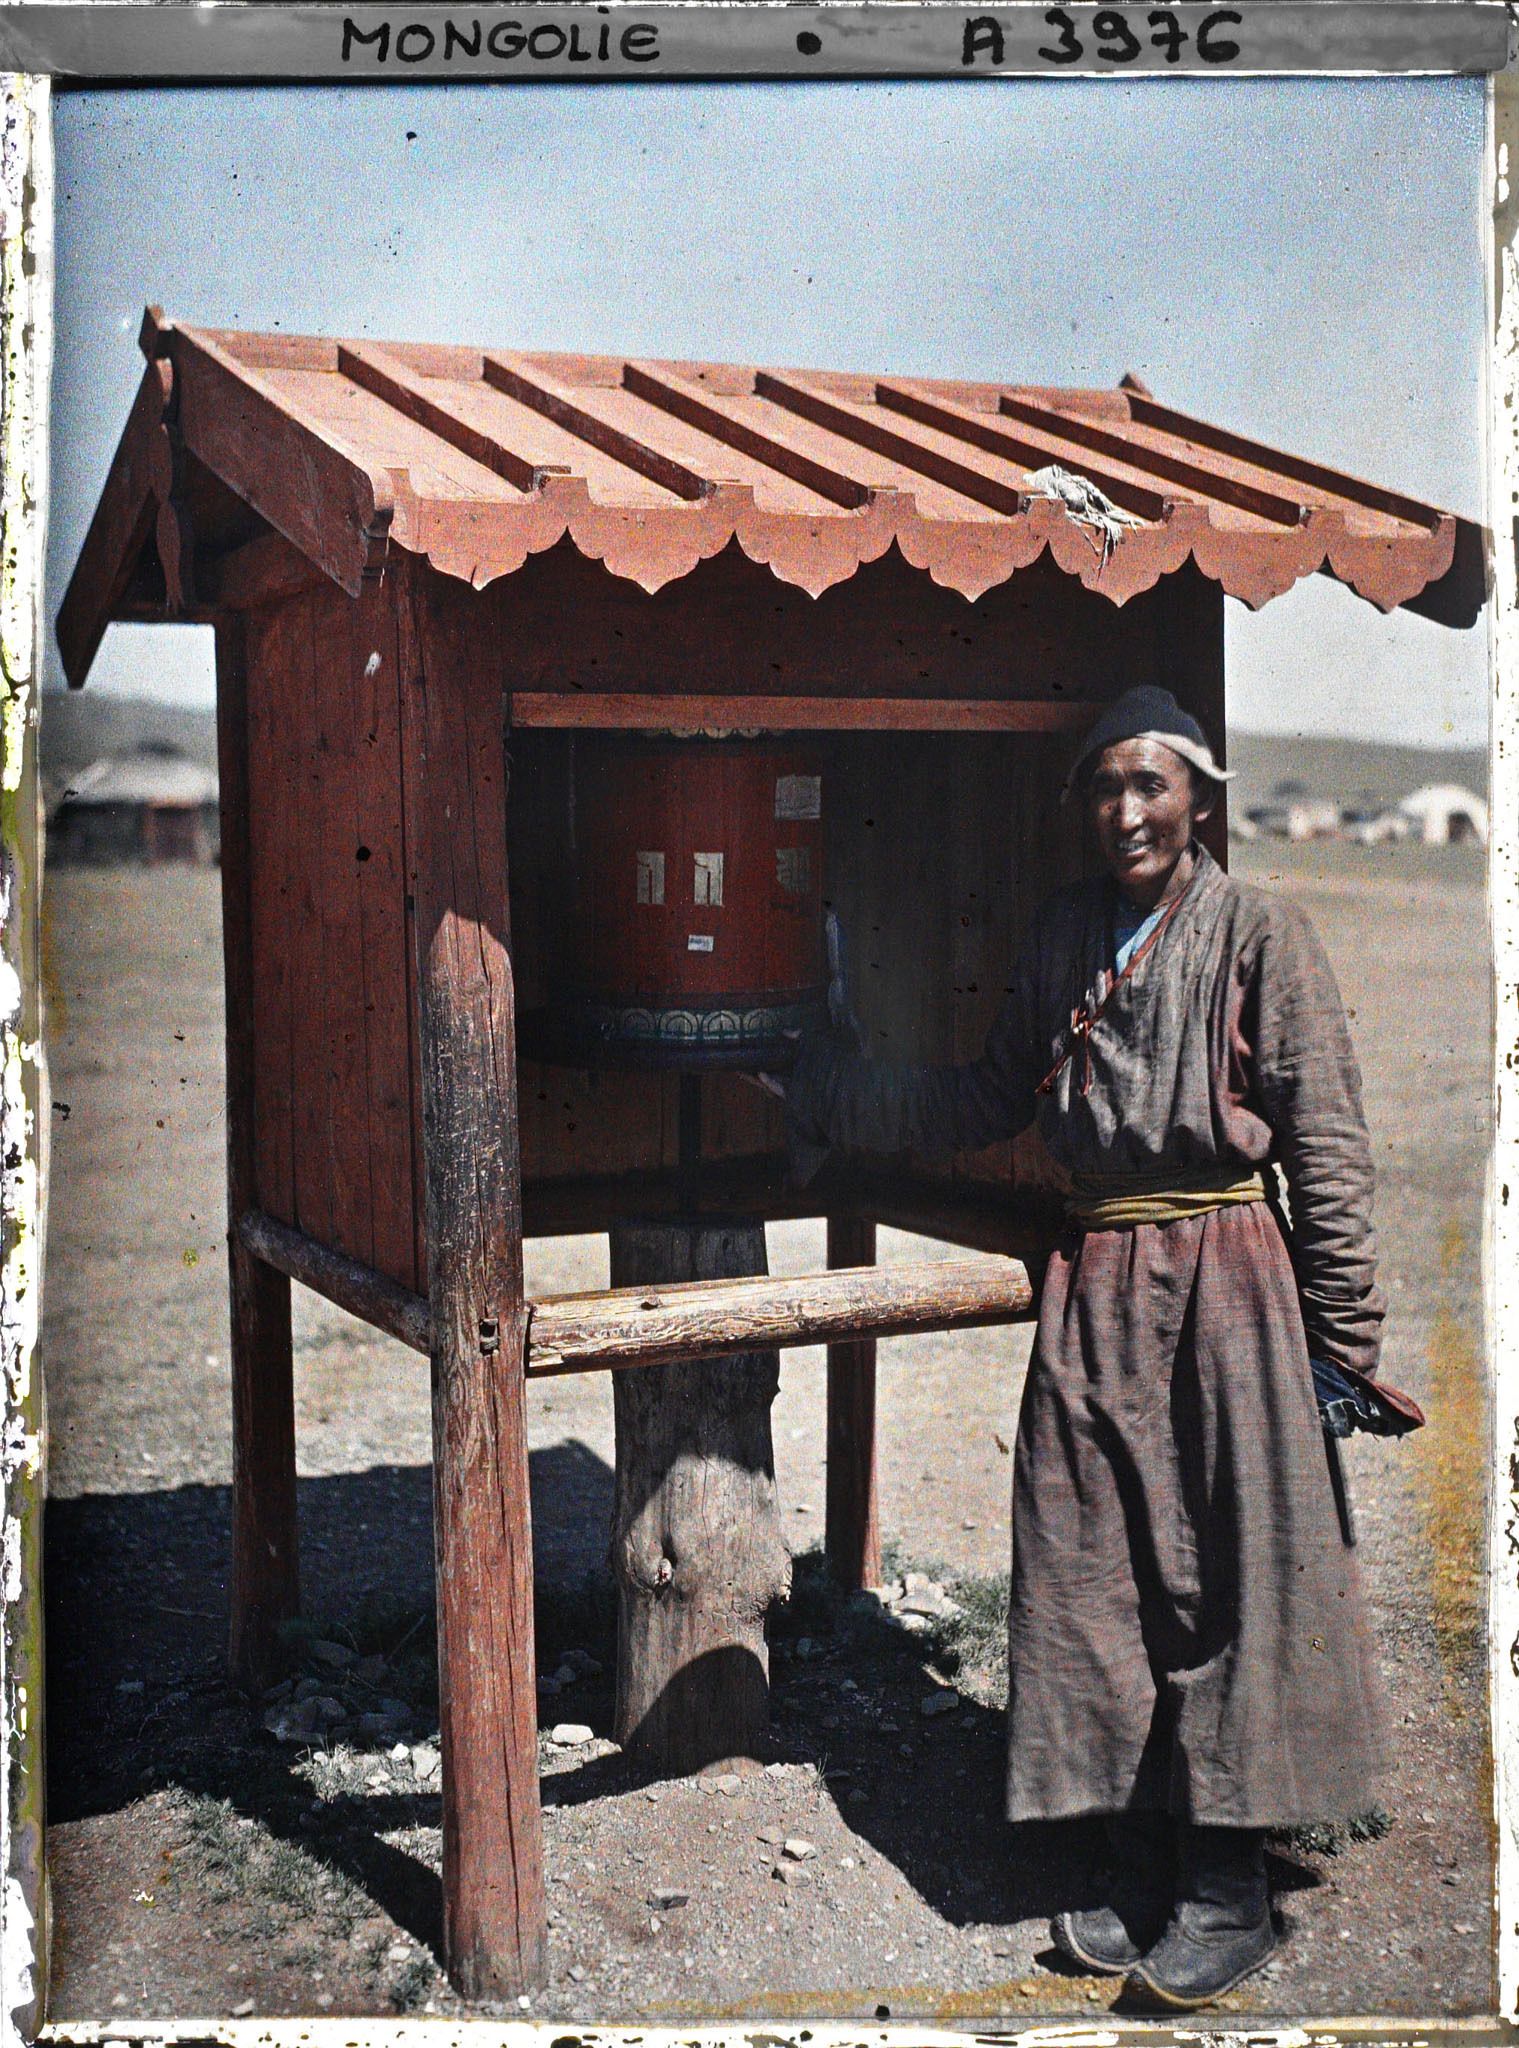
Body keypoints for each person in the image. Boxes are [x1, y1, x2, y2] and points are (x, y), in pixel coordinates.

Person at [780, 685, 1422, 2010]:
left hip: (1231, 1279)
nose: (1129, 811)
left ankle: (1225, 1886)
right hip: (1095, 1277)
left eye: (1153, 784)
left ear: (1200, 797)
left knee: (1222, 1579)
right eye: (1106, 787)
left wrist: (1339, 1348)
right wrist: (831, 1081)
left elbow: (1332, 1151)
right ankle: (1136, 1859)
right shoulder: (1068, 932)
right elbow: (981, 1094)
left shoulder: (1261, 932)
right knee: (1092, 1567)